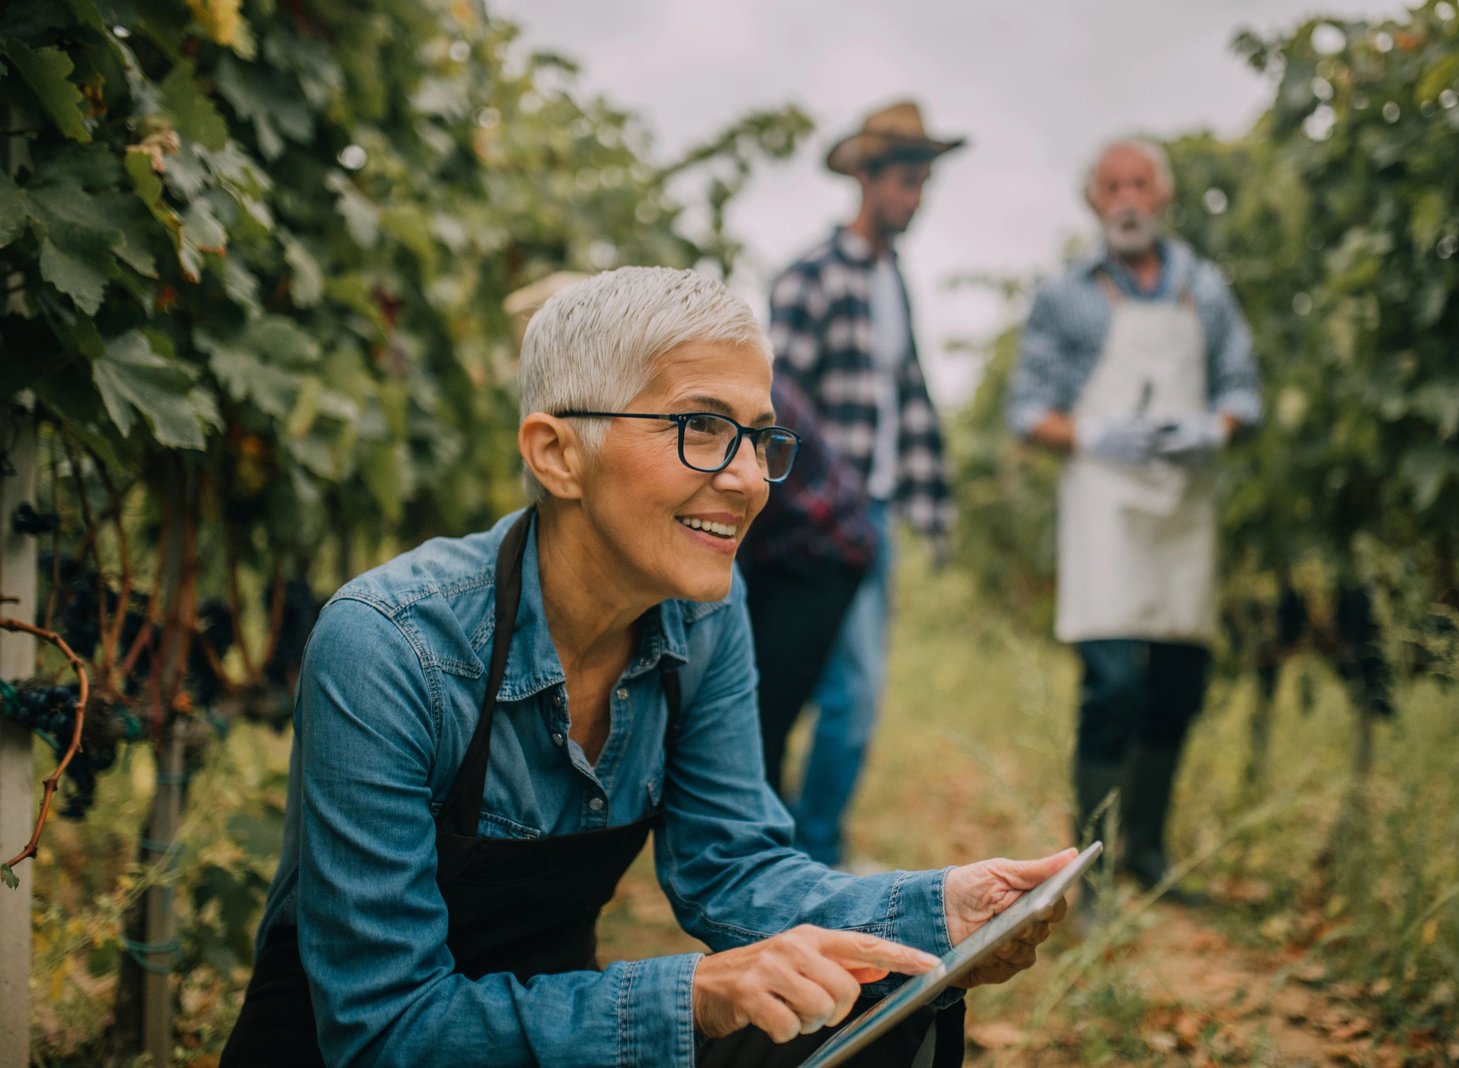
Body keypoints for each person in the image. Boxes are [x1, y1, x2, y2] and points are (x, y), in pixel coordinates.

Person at [222, 267, 1076, 1067]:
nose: (748, 479)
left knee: (878, 997)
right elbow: (385, 1031)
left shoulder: (706, 614)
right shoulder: (388, 646)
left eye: (758, 438)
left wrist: (942, 911)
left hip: (546, 1037)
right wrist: (695, 995)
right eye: (702, 428)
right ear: (558, 454)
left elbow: (730, 867)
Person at [1005, 139, 1262, 897]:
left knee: (1180, 681)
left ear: (1163, 196)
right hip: (1106, 507)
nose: (1126, 198)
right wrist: (1091, 433)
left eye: (1140, 184)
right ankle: (1089, 868)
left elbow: (1243, 389)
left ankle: (1147, 853)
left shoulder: (1205, 290)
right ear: (1093, 202)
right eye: (1111, 185)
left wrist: (1216, 428)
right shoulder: (1066, 296)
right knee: (1112, 683)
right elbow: (1028, 410)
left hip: (1182, 506)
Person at [768, 100, 962, 867]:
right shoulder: (811, 277)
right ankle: (807, 854)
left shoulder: (894, 284)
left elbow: (906, 399)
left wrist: (930, 502)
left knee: (848, 694)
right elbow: (778, 401)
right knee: (837, 692)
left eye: (923, 185)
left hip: (875, 514)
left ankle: (804, 845)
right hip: (819, 522)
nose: (914, 199)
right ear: (868, 178)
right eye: (906, 183)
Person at [739, 369, 879, 796]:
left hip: (823, 549)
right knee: (753, 713)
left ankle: (766, 848)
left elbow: (743, 506)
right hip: (777, 546)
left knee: (761, 718)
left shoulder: (746, 387)